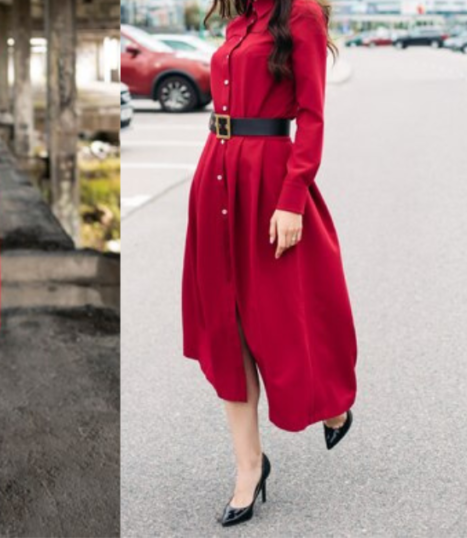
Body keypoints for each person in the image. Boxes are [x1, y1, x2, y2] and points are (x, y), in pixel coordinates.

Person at [181, 0, 357, 527]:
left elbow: (312, 116)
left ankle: (332, 403)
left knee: (282, 319)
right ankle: (248, 468)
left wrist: (292, 197)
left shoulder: (301, 16)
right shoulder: (239, 23)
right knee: (225, 325)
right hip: (216, 170)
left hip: (269, 180)